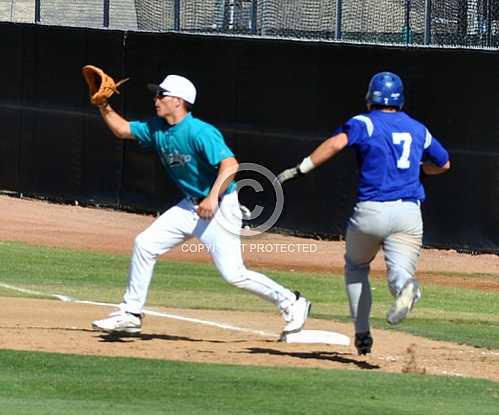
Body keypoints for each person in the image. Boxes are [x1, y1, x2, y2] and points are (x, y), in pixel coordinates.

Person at [91, 74, 311, 336]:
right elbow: (122, 129)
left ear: (179, 101)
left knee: (234, 275)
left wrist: (212, 197)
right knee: (145, 244)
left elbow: (231, 165)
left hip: (221, 206)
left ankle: (292, 301)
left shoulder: (200, 132)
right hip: (190, 207)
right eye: (156, 94)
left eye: (161, 95)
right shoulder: (157, 127)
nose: (156, 99)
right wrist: (103, 105)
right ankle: (131, 313)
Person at [277, 71, 450, 355]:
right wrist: (421, 170)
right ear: (400, 99)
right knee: (401, 272)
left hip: (371, 211)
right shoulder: (419, 128)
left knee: (357, 266)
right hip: (408, 211)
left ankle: (362, 333)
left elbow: (336, 144)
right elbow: (443, 164)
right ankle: (406, 287)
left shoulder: (364, 122)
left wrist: (301, 168)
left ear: (371, 98)